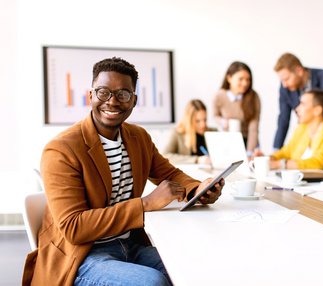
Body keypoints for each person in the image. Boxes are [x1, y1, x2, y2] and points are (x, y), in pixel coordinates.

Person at [22, 57, 224, 286]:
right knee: (152, 282)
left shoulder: (138, 138)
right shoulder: (62, 149)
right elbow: (73, 227)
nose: (112, 101)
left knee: (192, 267)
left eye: (123, 94)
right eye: (103, 92)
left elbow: (170, 174)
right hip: (81, 255)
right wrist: (145, 204)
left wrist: (199, 188)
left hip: (130, 245)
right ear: (91, 96)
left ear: (134, 100)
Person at [273, 52, 323, 151]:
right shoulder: (285, 88)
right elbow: (283, 119)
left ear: (299, 70)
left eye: (286, 79)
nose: (284, 84)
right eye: (282, 81)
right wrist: (276, 149)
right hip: (308, 137)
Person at [268, 89, 323, 175]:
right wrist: (269, 158)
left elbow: (319, 164)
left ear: (317, 110)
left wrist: (280, 164)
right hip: (305, 183)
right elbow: (287, 152)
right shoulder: (302, 128)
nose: (297, 108)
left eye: (303, 104)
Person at [213, 61, 261, 158]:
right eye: (241, 79)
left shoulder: (253, 97)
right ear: (229, 78)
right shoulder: (219, 96)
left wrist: (249, 153)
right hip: (227, 142)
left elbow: (253, 128)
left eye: (248, 80)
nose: (245, 83)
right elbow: (215, 116)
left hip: (248, 142)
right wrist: (222, 121)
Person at [163, 99, 216, 164]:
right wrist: (196, 160)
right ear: (189, 121)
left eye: (205, 120)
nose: (203, 125)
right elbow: (165, 156)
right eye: (197, 121)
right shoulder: (177, 133)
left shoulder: (214, 132)